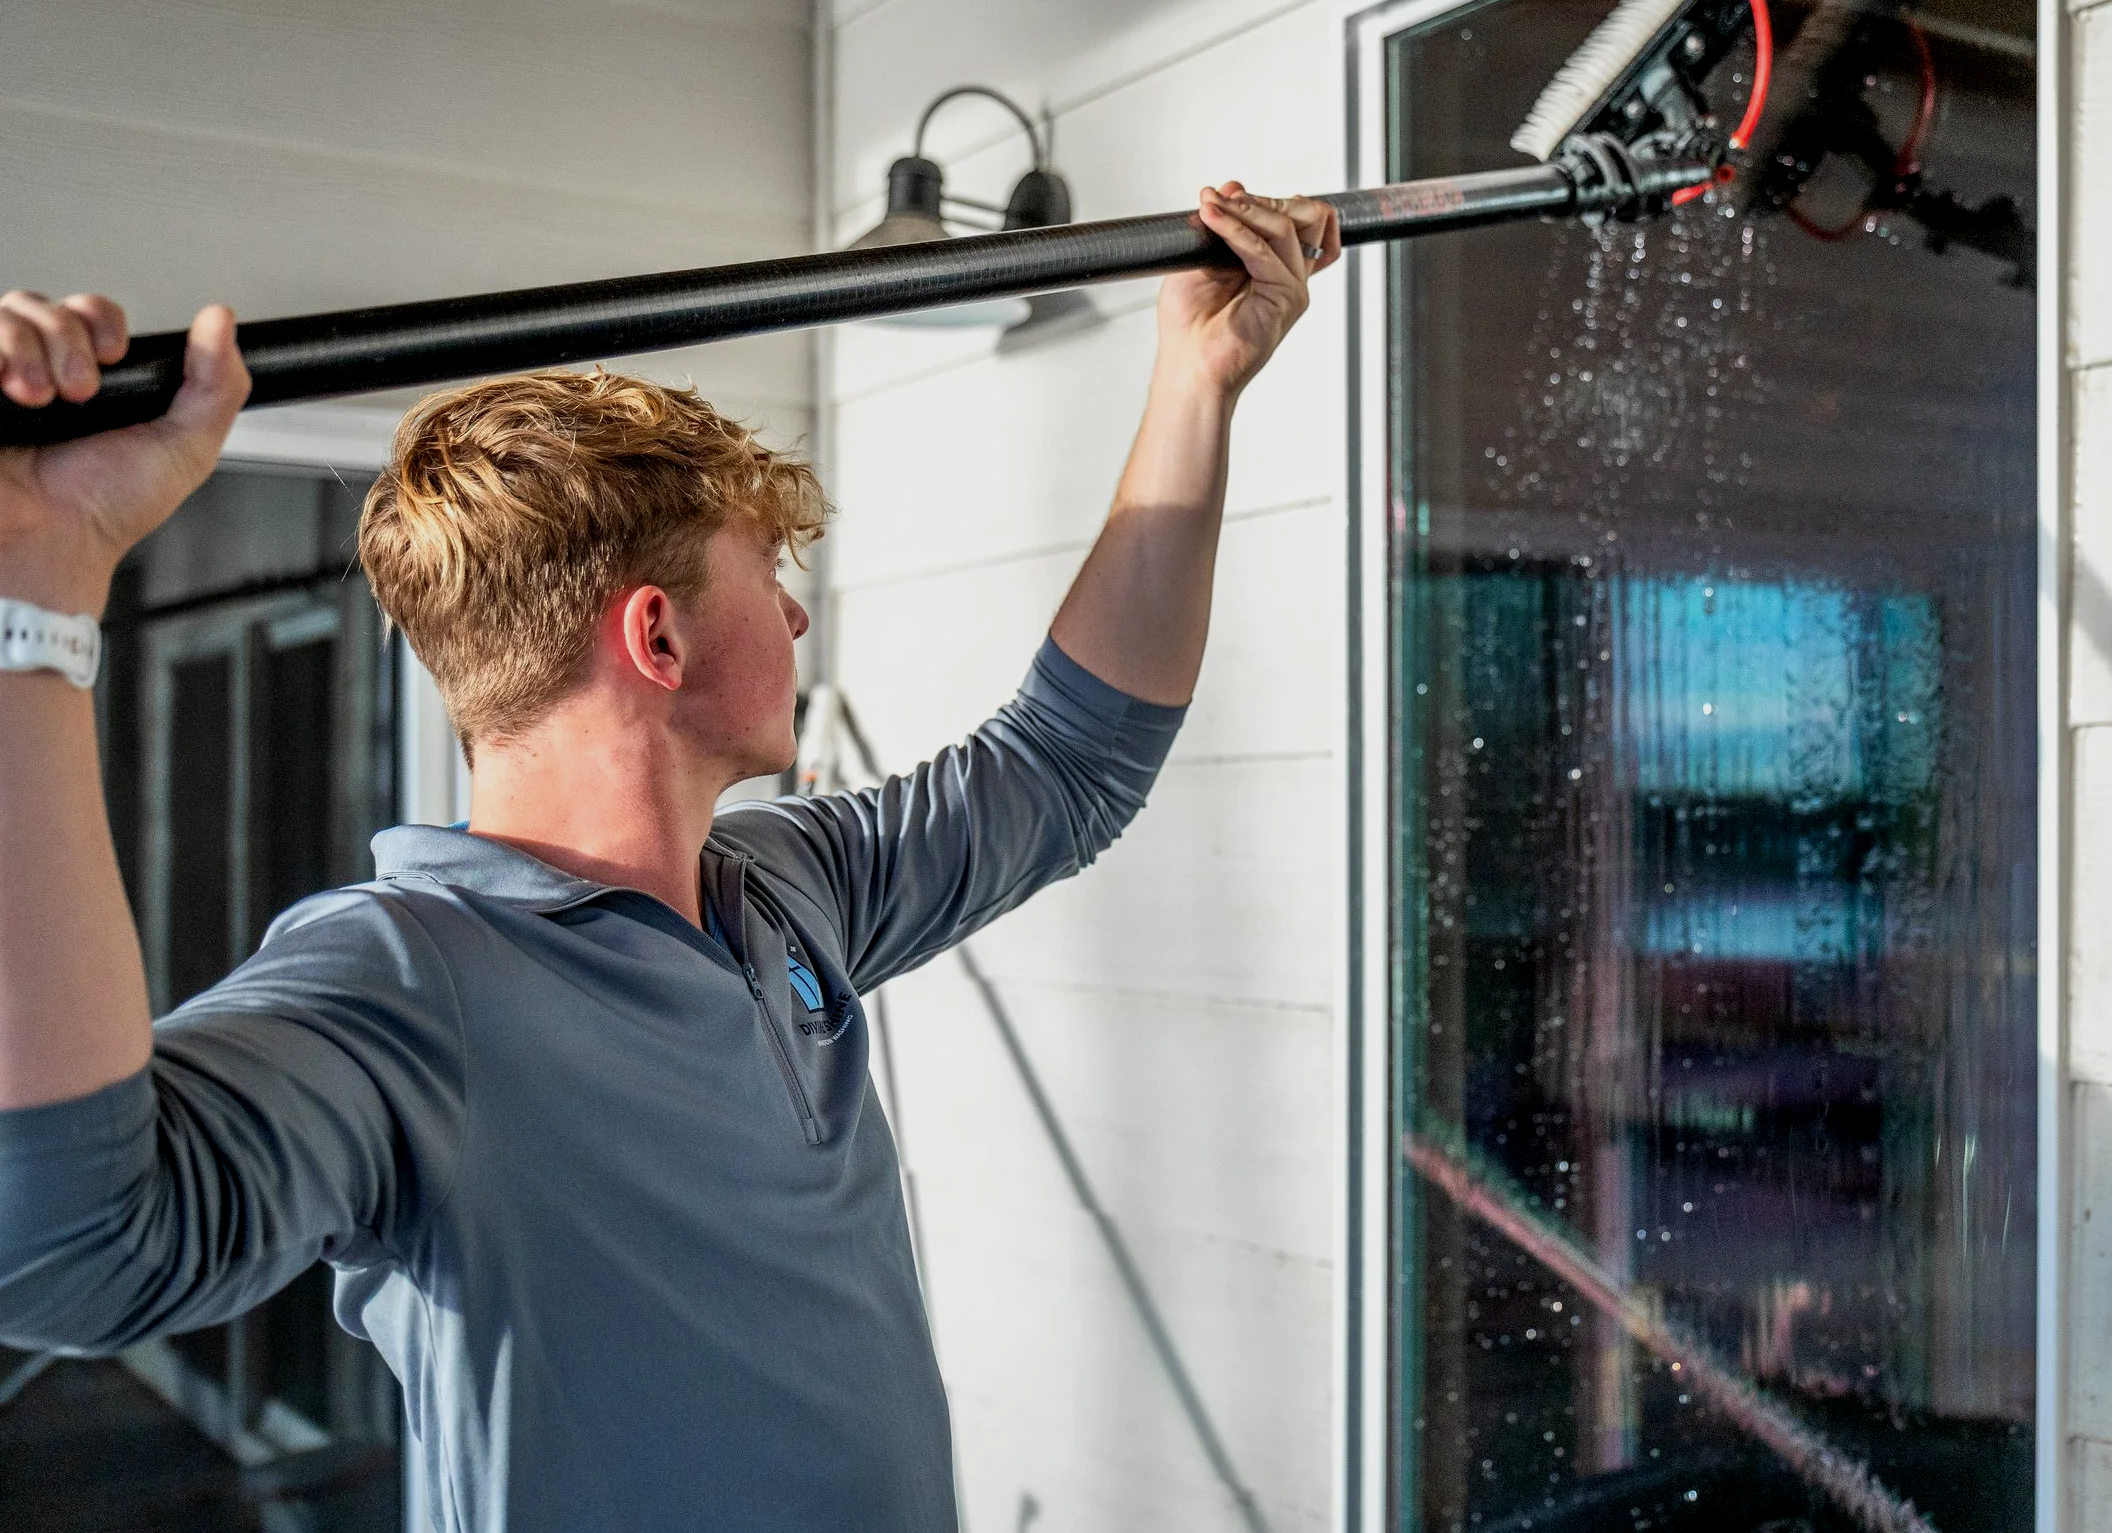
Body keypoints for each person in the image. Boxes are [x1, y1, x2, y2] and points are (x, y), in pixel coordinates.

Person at [0, 184, 1339, 1530]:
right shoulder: (405, 978)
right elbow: (79, 1250)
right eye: (769, 570)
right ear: (659, 638)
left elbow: (1068, 765)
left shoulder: (782, 888)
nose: (799, 610)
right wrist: (37, 595)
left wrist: (1198, 375)